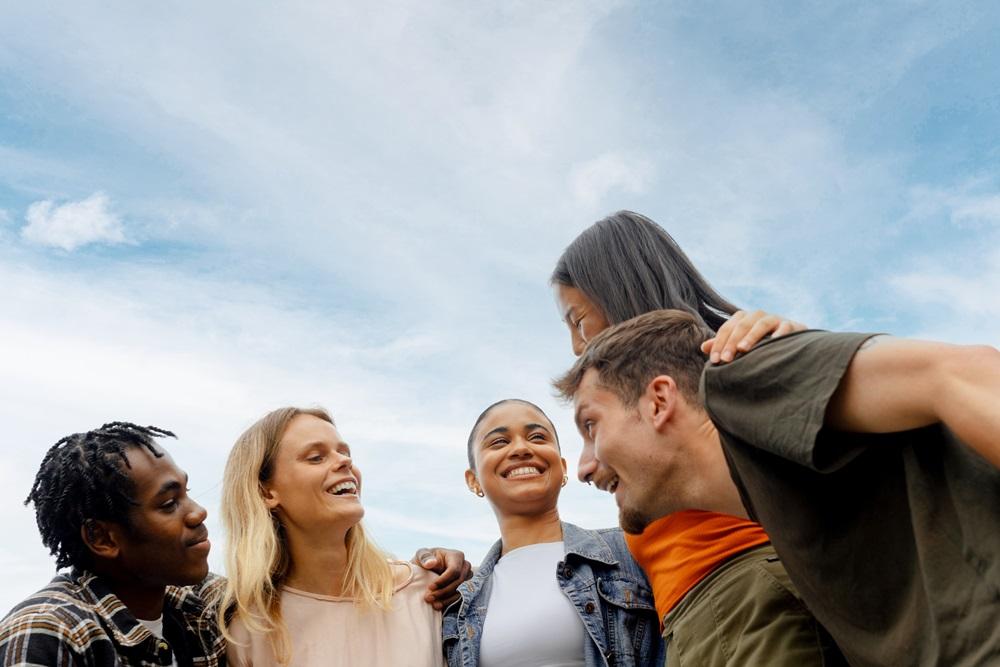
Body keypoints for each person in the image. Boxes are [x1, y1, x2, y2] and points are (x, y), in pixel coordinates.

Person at [554, 309, 1000, 667]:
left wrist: (787, 357)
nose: (585, 467)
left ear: (658, 401)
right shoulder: (771, 500)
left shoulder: (738, 382)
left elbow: (967, 372)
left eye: (591, 425)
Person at [551, 210, 841, 665]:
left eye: (578, 320)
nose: (574, 344)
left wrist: (795, 348)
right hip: (689, 620)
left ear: (616, 289)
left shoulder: (725, 357)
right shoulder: (635, 429)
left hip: (747, 595)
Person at [221, 406, 459, 666]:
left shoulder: (428, 592)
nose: (345, 462)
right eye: (315, 457)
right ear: (266, 493)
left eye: (344, 453)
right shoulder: (249, 631)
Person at [444, 399, 662, 666]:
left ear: (562, 468)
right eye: (499, 442)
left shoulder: (630, 550)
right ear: (473, 480)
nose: (522, 448)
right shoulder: (459, 602)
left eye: (537, 437)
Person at [0, 422, 224, 666]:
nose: (198, 512)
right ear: (102, 538)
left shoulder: (199, 607)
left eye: (186, 492)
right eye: (169, 503)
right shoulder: (47, 634)